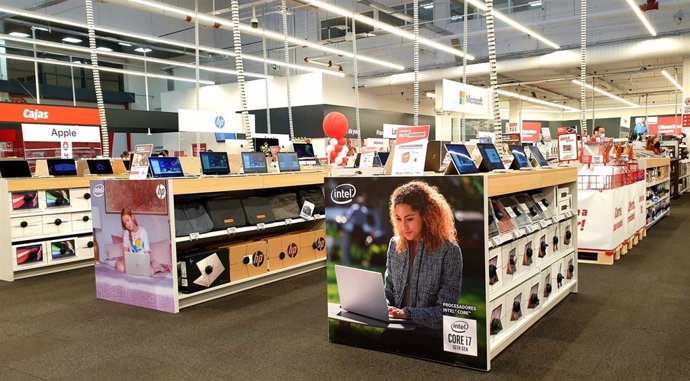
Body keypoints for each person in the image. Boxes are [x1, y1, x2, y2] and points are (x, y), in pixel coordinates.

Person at [384, 181, 463, 331]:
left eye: (409, 219)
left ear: (426, 216)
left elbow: (447, 311)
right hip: (395, 330)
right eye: (398, 219)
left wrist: (408, 314)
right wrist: (384, 305)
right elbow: (388, 291)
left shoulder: (449, 251)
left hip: (429, 339)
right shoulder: (394, 245)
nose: (403, 227)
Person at [115, 208, 150, 273]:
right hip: (131, 263)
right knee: (121, 268)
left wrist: (145, 265)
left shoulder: (143, 231)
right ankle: (116, 262)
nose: (127, 225)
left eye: (128, 220)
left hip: (142, 262)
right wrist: (127, 265)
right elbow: (125, 252)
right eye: (125, 223)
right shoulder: (126, 233)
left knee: (151, 271)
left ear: (132, 217)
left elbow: (147, 252)